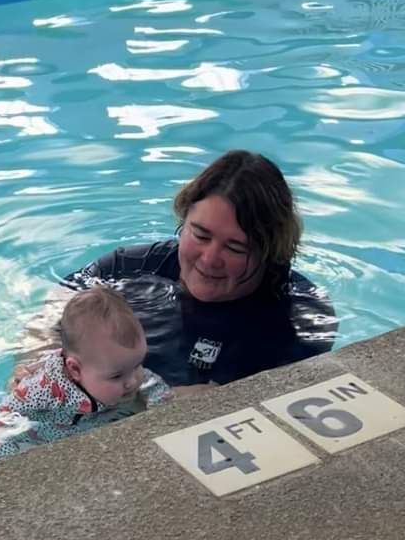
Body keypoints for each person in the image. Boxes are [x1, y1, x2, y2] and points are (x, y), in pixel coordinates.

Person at [22, 150, 339, 388]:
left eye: (235, 248)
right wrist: (39, 362)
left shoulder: (301, 319)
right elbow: (57, 309)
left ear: (270, 252)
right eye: (200, 235)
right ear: (183, 220)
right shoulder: (130, 268)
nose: (209, 258)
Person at [0, 286, 171, 458]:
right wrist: (10, 457)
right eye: (117, 376)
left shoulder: (118, 366)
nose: (133, 380)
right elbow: (3, 416)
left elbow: (155, 387)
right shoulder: (44, 388)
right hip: (49, 436)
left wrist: (160, 414)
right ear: (75, 370)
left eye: (137, 365)